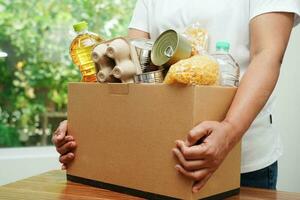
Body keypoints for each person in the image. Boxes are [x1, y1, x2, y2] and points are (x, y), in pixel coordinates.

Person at [52, 0, 300, 193]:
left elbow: (267, 54)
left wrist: (229, 130)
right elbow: (132, 65)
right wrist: (90, 124)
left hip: (242, 164)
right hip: (164, 157)